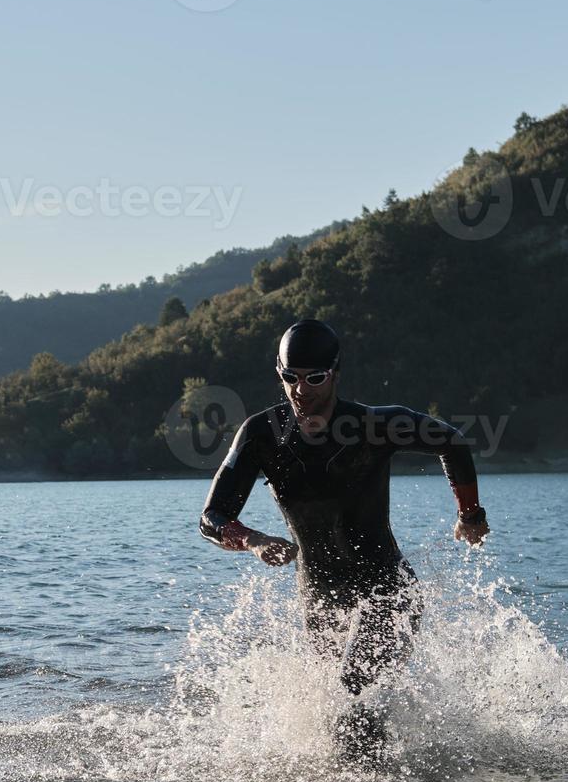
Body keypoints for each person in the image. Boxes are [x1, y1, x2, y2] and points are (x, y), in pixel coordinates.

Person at [199, 320, 490, 753]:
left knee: (353, 697)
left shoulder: (374, 424)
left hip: (389, 588)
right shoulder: (262, 435)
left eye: (314, 378)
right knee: (335, 714)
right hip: (318, 594)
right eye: (290, 378)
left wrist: (470, 513)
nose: (301, 390)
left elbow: (453, 442)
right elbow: (212, 516)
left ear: (335, 373)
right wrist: (254, 541)